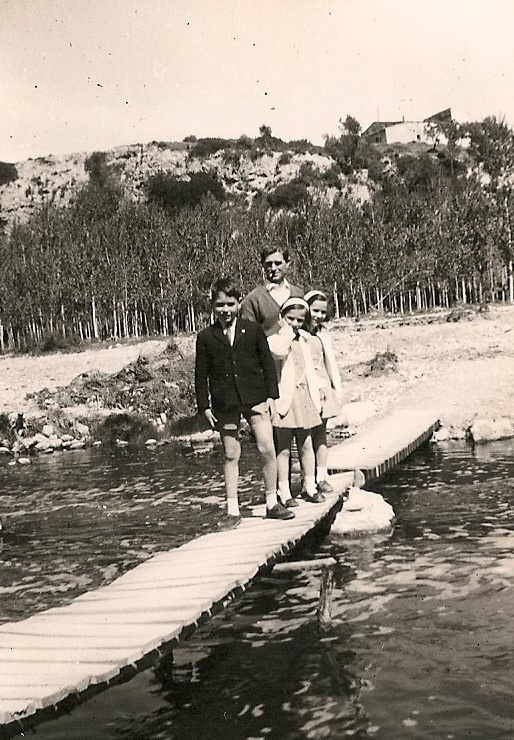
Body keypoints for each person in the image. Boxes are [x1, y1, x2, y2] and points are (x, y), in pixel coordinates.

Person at [195, 277, 295, 529]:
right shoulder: (206, 337)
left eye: (230, 304)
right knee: (231, 453)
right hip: (225, 402)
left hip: (256, 397)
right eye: (220, 305)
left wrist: (272, 396)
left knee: (266, 448)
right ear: (213, 307)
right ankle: (232, 509)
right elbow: (200, 374)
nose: (225, 310)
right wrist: (204, 406)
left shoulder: (252, 330)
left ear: (239, 303)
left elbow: (267, 365)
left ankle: (272, 502)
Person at [267, 297, 325, 506]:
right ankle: (284, 491)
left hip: (304, 397)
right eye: (290, 319)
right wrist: (285, 331)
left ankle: (309, 485)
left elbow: (311, 368)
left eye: (300, 320)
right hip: (286, 398)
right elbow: (278, 352)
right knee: (283, 448)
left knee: (306, 443)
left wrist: (319, 389)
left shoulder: (305, 340)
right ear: (281, 318)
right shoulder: (276, 340)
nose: (295, 324)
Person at [304, 290, 343, 494]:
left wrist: (335, 387)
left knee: (321, 435)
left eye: (322, 312)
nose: (318, 315)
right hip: (306, 387)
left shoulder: (323, 333)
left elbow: (330, 361)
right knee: (305, 437)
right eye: (314, 310)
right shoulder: (299, 333)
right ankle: (307, 481)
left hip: (323, 385)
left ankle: (322, 476)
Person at [240, 246, 303, 336]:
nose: (273, 268)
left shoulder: (298, 294)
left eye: (278, 263)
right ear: (262, 264)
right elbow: (248, 337)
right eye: (269, 264)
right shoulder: (253, 299)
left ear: (287, 263)